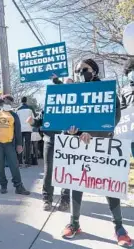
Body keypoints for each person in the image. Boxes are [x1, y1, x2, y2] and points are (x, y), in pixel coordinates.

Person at [61, 59, 132, 248]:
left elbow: (114, 116)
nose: (80, 72)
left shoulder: (107, 90)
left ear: (94, 70)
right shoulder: (74, 92)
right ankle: (75, 223)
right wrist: (72, 131)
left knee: (109, 186)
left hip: (102, 144)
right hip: (79, 147)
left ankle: (119, 228)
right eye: (77, 70)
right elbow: (66, 119)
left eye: (84, 69)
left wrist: (93, 134)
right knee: (76, 183)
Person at [0, 95, 30, 195]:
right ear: (1, 102)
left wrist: (19, 144)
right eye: (6, 101)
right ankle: (3, 185)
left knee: (14, 165)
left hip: (9, 144)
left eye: (10, 101)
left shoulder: (14, 115)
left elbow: (18, 131)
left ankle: (19, 186)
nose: (8, 103)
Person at [27, 110, 70, 211]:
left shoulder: (70, 102)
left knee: (66, 171)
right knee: (48, 170)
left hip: (67, 141)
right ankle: (47, 199)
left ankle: (65, 199)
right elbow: (40, 120)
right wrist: (33, 121)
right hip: (50, 141)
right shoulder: (49, 104)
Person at [16, 96, 36, 167]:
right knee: (28, 145)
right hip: (28, 128)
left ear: (21, 101)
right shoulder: (30, 108)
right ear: (26, 101)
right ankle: (27, 161)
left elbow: (16, 120)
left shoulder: (17, 109)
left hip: (20, 129)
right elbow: (34, 118)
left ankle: (20, 161)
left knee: (20, 145)